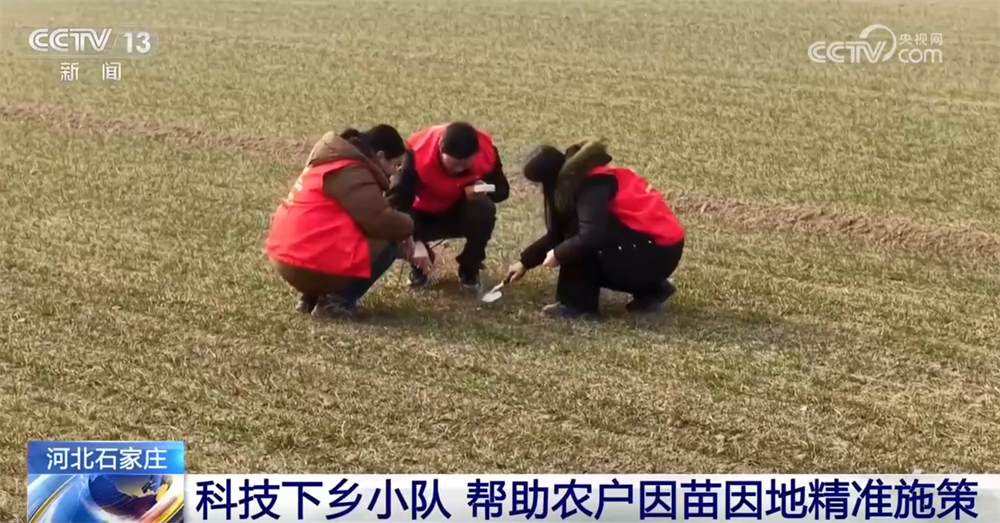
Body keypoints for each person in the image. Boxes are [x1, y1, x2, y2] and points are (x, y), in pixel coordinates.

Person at [505, 138, 685, 319]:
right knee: (577, 238)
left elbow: (590, 235)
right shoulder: (583, 178)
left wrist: (559, 254)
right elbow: (559, 233)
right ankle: (652, 289)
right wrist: (525, 262)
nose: (540, 190)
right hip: (657, 250)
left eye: (540, 184)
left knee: (579, 241)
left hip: (656, 254)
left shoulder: (591, 185)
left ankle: (578, 306)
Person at [265, 125, 417, 318]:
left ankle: (310, 297)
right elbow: (380, 221)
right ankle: (336, 302)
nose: (395, 173)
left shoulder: (332, 160)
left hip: (287, 254)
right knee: (388, 242)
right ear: (380, 156)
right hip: (305, 262)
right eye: (395, 165)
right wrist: (409, 228)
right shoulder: (352, 171)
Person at [386, 122, 510, 292]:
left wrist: (485, 189)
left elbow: (503, 190)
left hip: (458, 212)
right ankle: (420, 265)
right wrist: (413, 241)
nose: (457, 170)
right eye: (452, 165)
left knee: (484, 209)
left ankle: (470, 267)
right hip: (422, 214)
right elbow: (396, 202)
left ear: (476, 154)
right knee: (394, 222)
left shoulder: (487, 152)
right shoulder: (417, 152)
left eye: (464, 165)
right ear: (440, 149)